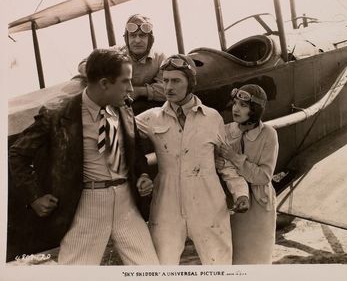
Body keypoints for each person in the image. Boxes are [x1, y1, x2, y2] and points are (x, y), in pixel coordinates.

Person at [9, 48, 159, 265]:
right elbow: (18, 153)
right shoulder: (57, 114)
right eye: (125, 81)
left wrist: (143, 174)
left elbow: (134, 151)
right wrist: (34, 195)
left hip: (127, 204)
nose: (130, 88)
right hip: (89, 204)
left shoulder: (124, 107)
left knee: (149, 268)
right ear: (105, 83)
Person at [136, 54, 250, 265]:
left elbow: (225, 162)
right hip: (166, 207)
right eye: (165, 80)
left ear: (190, 83)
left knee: (219, 267)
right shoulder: (150, 118)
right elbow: (119, 135)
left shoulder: (212, 117)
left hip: (208, 204)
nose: (168, 86)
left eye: (176, 80)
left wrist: (240, 192)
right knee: (162, 267)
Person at [217, 84, 279, 264]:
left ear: (255, 110)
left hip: (260, 206)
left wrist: (235, 158)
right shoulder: (227, 130)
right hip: (234, 205)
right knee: (234, 261)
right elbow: (218, 164)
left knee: (258, 260)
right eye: (235, 103)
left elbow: (263, 177)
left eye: (243, 105)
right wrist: (217, 162)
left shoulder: (269, 134)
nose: (236, 108)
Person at [78, 14, 166, 112]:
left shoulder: (160, 58)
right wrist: (106, 78)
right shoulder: (116, 52)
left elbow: (168, 90)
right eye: (133, 36)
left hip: (142, 106)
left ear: (150, 39)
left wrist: (140, 91)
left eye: (142, 35)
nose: (137, 40)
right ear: (126, 39)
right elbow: (84, 64)